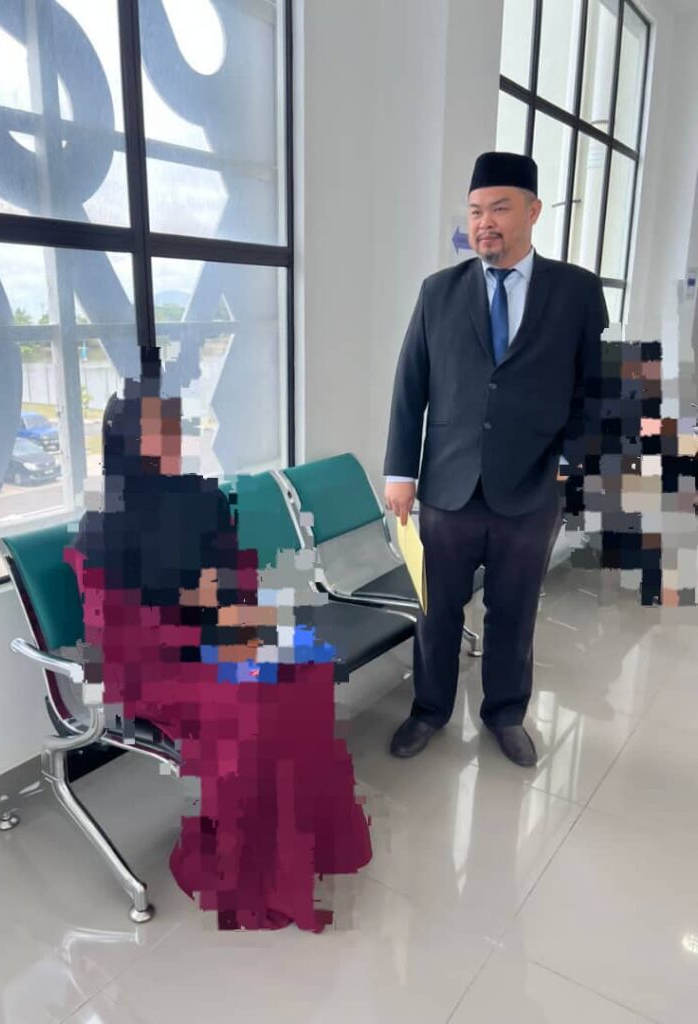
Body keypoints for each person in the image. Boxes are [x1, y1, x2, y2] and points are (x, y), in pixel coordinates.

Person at [66, 376, 372, 931]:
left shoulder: (201, 497)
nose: (175, 438)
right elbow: (115, 630)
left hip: (215, 638)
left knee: (305, 671)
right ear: (129, 441)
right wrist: (201, 616)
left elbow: (233, 579)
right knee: (252, 707)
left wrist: (233, 618)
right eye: (160, 430)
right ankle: (242, 866)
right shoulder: (103, 520)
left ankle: (305, 847)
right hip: (151, 664)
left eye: (174, 426)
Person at [383, 151, 608, 767]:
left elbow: (596, 388)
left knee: (514, 611)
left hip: (532, 487)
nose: (485, 222)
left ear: (533, 212)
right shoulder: (439, 292)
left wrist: (572, 462)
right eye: (476, 210)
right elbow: (410, 385)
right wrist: (401, 473)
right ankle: (429, 710)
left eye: (500, 208)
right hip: (447, 487)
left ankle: (505, 714)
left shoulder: (576, 292)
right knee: (437, 610)